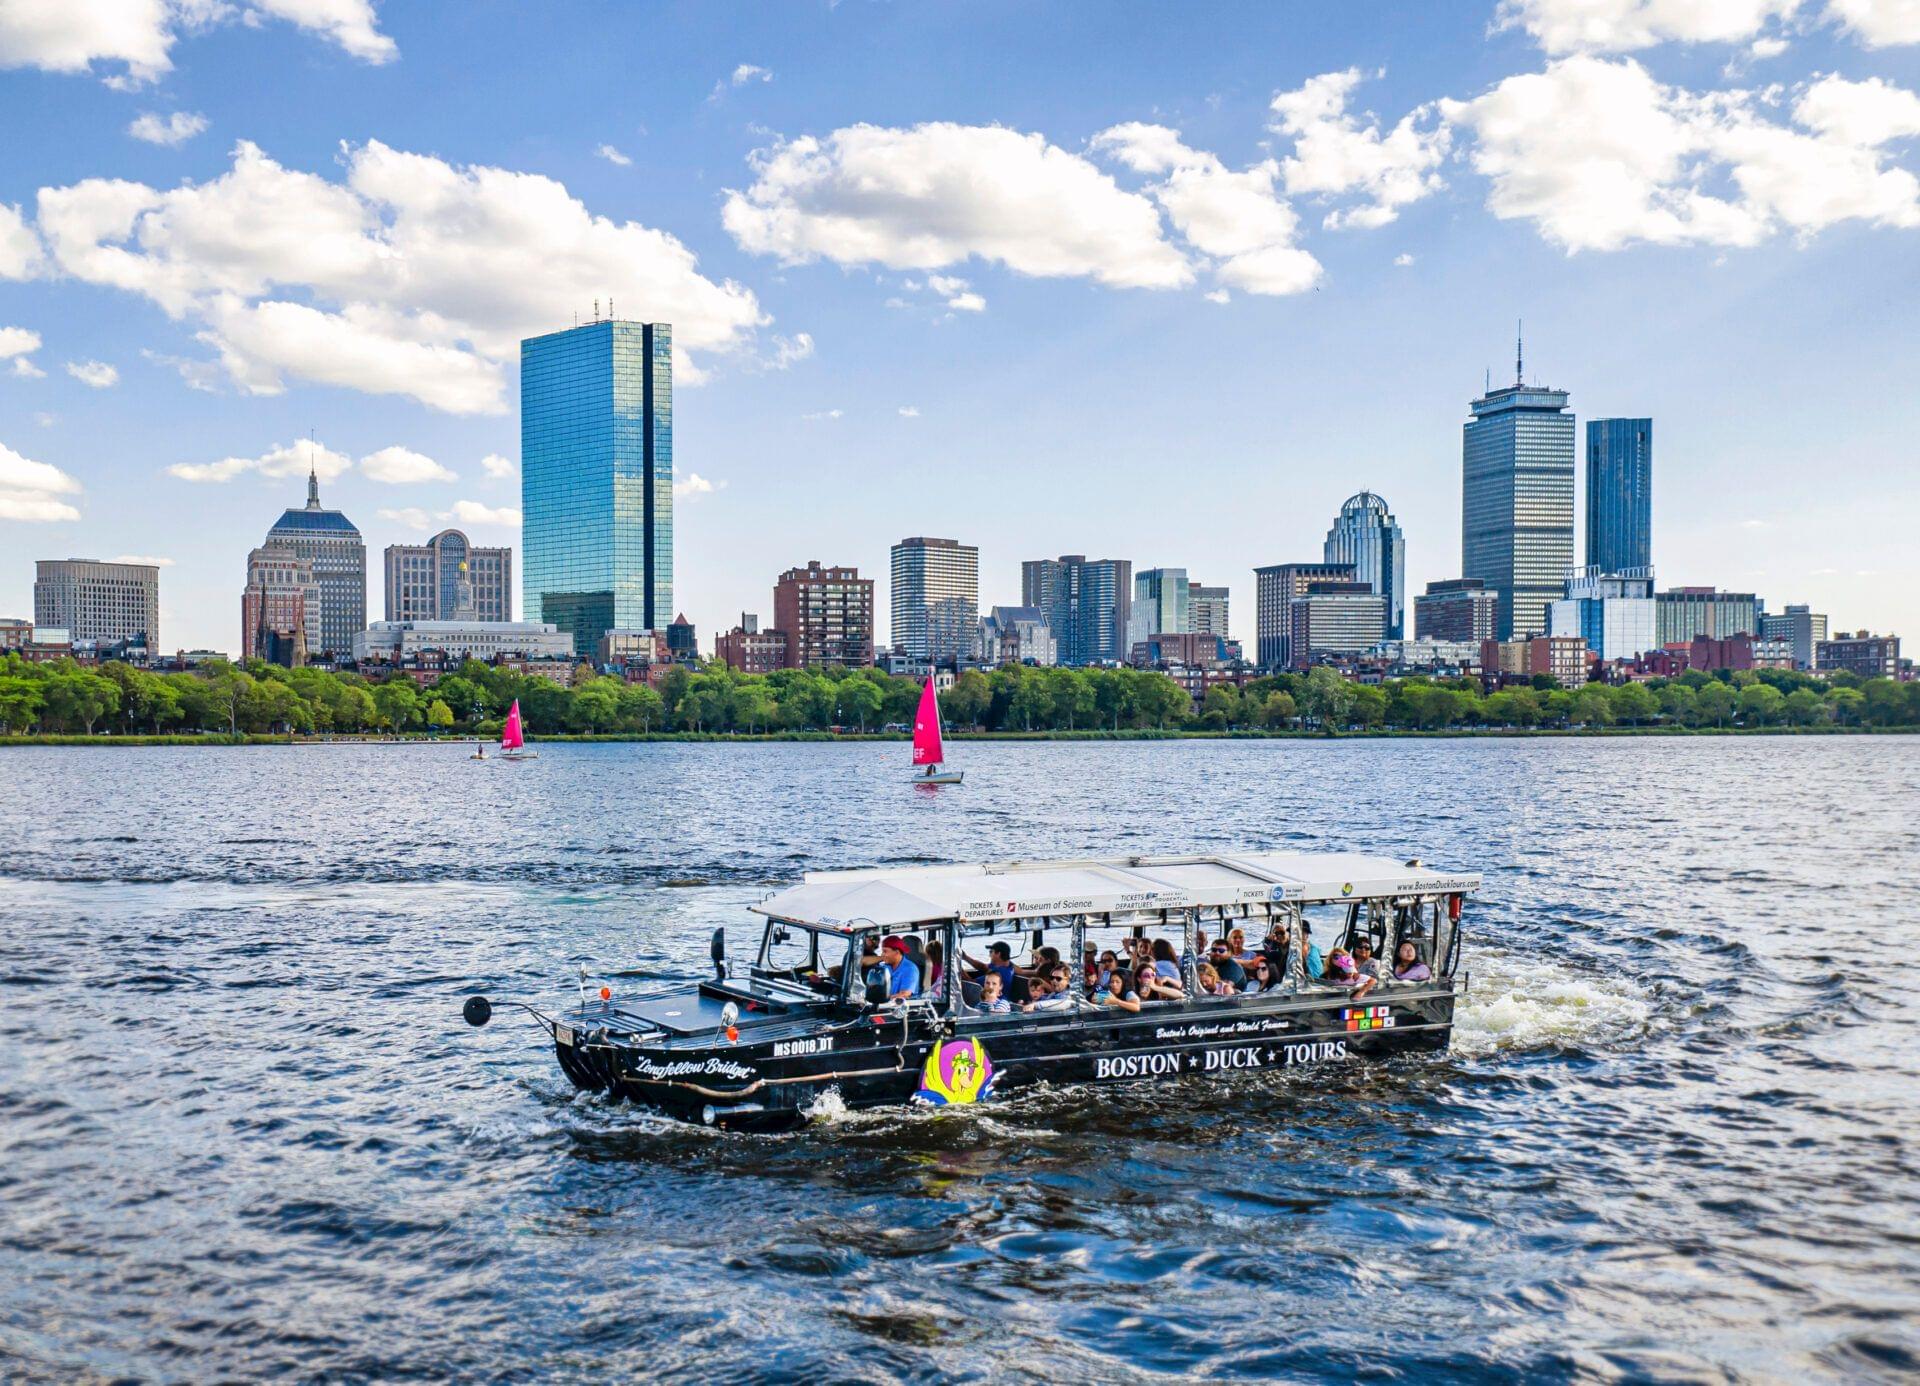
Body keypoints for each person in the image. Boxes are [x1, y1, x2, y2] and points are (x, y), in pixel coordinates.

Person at [878, 936, 919, 1001]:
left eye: (885, 951)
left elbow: (904, 994)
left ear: (897, 952)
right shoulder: (883, 967)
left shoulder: (910, 969)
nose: (882, 954)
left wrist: (880, 1000)